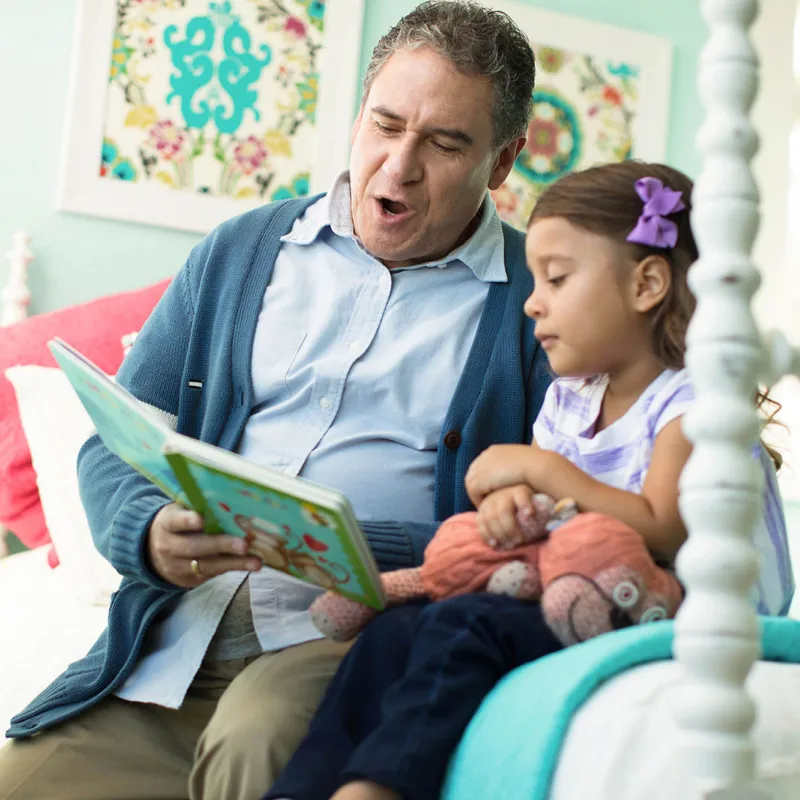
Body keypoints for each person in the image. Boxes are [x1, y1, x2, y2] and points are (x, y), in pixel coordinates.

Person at [0, 3, 553, 800]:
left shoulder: (538, 303)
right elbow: (117, 438)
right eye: (385, 125)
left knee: (256, 739)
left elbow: (550, 525)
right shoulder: (242, 249)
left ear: (502, 163)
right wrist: (149, 535)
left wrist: (356, 547)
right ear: (357, 116)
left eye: (443, 144)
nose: (397, 166)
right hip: (168, 646)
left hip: (345, 642)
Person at [263, 160, 795, 800]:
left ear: (647, 283)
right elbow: (548, 507)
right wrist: (514, 503)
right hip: (572, 586)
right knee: (394, 631)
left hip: (671, 606)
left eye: (558, 278)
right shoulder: (572, 399)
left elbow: (663, 529)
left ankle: (381, 787)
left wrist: (543, 471)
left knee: (468, 626)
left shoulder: (694, 406)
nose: (532, 301)